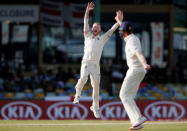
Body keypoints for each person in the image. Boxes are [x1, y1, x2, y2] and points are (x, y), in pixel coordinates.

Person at [73, 2, 123, 118]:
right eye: (94, 27)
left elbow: (111, 30)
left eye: (97, 27)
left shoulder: (102, 38)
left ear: (99, 30)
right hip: (86, 62)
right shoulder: (87, 35)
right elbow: (85, 21)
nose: (95, 28)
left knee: (96, 87)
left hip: (95, 65)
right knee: (83, 78)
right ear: (92, 28)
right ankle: (77, 95)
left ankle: (95, 108)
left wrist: (118, 21)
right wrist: (87, 11)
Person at [118, 21, 151, 130]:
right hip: (137, 70)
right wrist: (119, 21)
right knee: (128, 96)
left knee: (124, 95)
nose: (120, 33)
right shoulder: (131, 38)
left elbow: (139, 53)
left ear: (125, 33)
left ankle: (139, 117)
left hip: (135, 70)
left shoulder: (132, 41)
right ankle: (137, 122)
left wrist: (144, 63)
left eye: (122, 31)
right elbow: (126, 28)